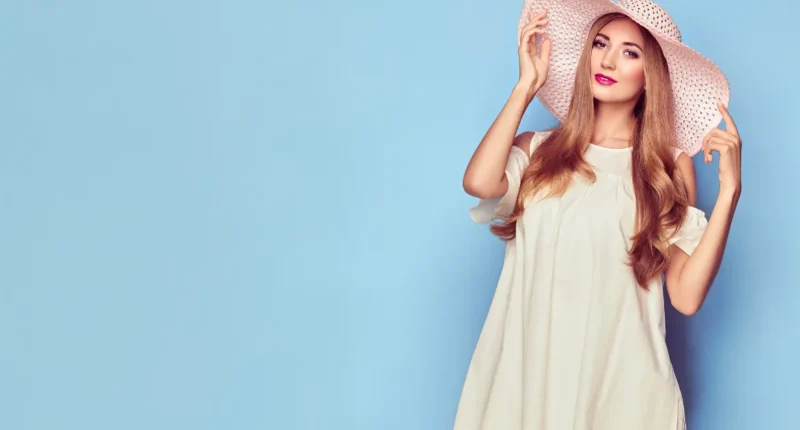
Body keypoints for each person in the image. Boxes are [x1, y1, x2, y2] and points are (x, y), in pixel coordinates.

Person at [454, 0, 741, 429]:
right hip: (530, 385)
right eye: (601, 44)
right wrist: (525, 87)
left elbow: (685, 295)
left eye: (631, 52)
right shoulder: (537, 150)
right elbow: (479, 182)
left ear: (651, 76)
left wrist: (729, 194)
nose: (608, 60)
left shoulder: (666, 168)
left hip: (623, 392)